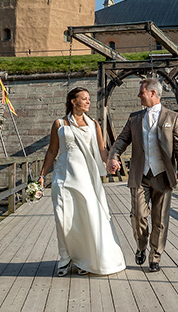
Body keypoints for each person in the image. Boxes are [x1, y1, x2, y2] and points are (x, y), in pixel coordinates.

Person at [39, 87, 125, 277]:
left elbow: (102, 150)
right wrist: (43, 174)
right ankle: (65, 258)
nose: (88, 102)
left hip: (85, 177)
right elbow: (52, 151)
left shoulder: (94, 124)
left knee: (85, 219)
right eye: (84, 99)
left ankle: (82, 260)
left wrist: (110, 160)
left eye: (88, 99)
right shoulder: (59, 124)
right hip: (63, 176)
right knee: (63, 218)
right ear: (73, 101)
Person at [107, 78, 178, 272]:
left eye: (141, 92)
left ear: (153, 93)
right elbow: (121, 140)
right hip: (140, 174)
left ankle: (155, 257)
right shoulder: (134, 118)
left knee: (160, 219)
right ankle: (141, 246)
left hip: (163, 175)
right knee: (137, 216)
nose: (138, 96)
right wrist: (113, 156)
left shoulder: (173, 118)